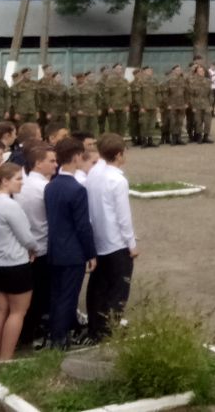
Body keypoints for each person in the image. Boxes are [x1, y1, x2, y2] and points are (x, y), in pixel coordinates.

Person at [43, 137, 97, 351]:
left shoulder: (51, 186)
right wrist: (91, 253)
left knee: (56, 295)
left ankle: (54, 334)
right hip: (72, 251)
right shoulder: (77, 189)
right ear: (76, 157)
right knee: (68, 297)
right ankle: (60, 339)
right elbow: (83, 226)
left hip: (55, 248)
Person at [85, 134, 138, 342]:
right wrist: (131, 244)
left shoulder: (95, 172)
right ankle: (109, 331)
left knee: (98, 287)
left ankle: (95, 328)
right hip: (115, 242)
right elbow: (123, 217)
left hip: (98, 238)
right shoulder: (117, 180)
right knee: (118, 290)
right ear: (118, 155)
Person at [0, 163, 36, 361]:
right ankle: (6, 359)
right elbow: (26, 237)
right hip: (16, 265)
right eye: (18, 179)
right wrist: (34, 247)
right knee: (18, 312)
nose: (21, 183)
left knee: (0, 310)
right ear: (4, 180)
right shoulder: (10, 206)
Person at [17, 142, 56, 348]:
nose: (55, 165)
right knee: (39, 297)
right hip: (40, 247)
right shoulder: (44, 188)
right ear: (38, 164)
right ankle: (29, 336)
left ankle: (25, 334)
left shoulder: (23, 184)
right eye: (51, 161)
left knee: (30, 297)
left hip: (26, 248)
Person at [165, 65, 189, 146]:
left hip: (181, 104)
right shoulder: (169, 81)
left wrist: (186, 103)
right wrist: (168, 104)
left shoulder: (183, 80)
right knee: (173, 122)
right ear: (173, 71)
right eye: (177, 70)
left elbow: (186, 92)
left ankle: (179, 138)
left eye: (180, 70)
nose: (179, 71)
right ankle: (173, 138)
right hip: (173, 105)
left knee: (180, 121)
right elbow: (166, 94)